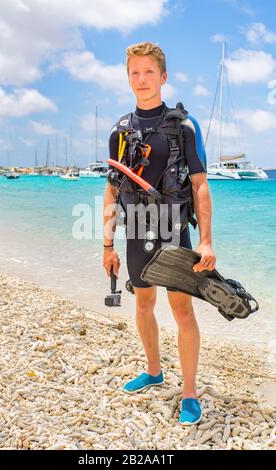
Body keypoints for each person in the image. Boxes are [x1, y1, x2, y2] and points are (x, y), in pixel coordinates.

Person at [103, 41, 216, 426]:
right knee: (143, 305)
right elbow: (112, 189)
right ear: (127, 77)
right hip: (135, 232)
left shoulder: (184, 125)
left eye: (148, 71)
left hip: (173, 231)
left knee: (182, 309)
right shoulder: (120, 130)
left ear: (163, 77)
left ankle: (189, 392)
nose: (141, 79)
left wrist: (206, 241)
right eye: (134, 72)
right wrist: (107, 243)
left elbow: (200, 185)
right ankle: (153, 370)